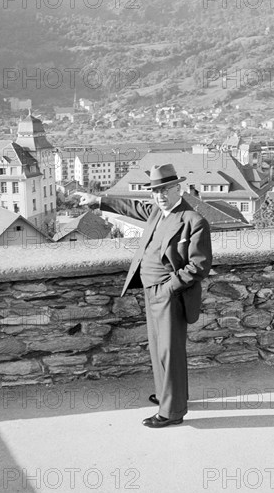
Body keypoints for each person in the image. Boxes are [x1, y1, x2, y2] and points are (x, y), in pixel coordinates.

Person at [75, 164, 213, 428]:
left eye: (164, 189)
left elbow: (198, 266)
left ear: (178, 189)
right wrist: (98, 201)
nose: (159, 195)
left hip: (170, 295)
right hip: (151, 291)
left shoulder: (193, 221)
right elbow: (131, 207)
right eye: (155, 191)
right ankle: (166, 395)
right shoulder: (157, 212)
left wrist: (169, 288)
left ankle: (172, 412)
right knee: (157, 349)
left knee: (170, 352)